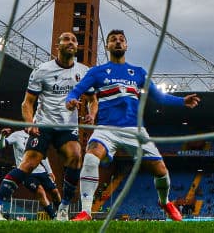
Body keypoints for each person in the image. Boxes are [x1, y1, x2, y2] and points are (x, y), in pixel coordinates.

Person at [64, 29, 201, 222]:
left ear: (126, 46)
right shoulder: (96, 72)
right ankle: (86, 211)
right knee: (91, 158)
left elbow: (158, 96)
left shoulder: (138, 72)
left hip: (134, 130)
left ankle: (165, 201)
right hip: (106, 129)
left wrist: (181, 101)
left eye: (121, 40)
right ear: (108, 46)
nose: (118, 42)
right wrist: (70, 100)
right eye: (113, 40)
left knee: (161, 170)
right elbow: (76, 91)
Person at [0, 31, 94, 221]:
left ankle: (63, 210)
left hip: (67, 127)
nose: (71, 42)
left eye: (74, 40)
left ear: (77, 48)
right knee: (28, 164)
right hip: (43, 124)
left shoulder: (84, 72)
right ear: (57, 46)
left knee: (76, 156)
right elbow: (27, 103)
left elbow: (93, 99)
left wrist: (92, 114)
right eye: (66, 39)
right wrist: (29, 123)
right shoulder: (42, 70)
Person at [0, 128, 62, 219]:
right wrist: (2, 136)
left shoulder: (38, 135)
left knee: (55, 192)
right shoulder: (17, 135)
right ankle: (53, 216)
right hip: (25, 172)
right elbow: (1, 146)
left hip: (40, 170)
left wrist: (49, 171)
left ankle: (62, 215)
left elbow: (43, 157)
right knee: (40, 192)